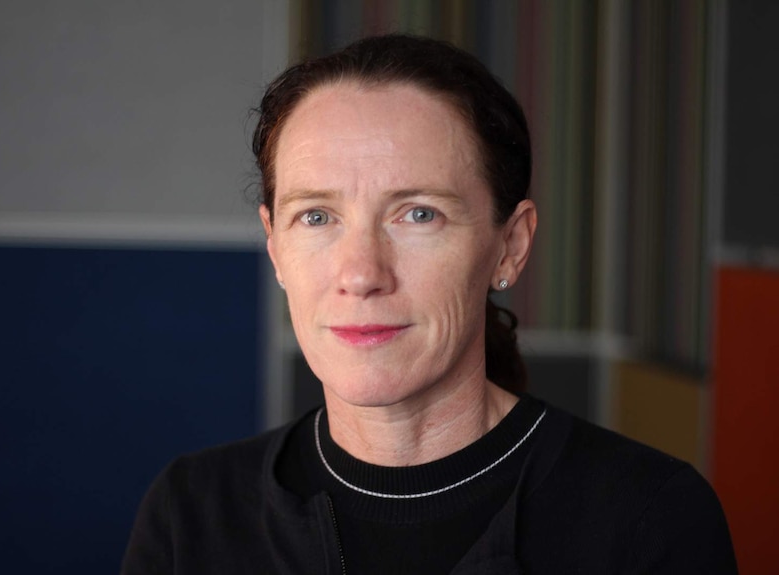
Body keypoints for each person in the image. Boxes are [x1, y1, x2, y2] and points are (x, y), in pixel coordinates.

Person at [121, 34, 736, 574]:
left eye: (419, 214)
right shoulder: (192, 514)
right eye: (316, 216)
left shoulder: (648, 517)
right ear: (275, 248)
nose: (361, 274)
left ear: (510, 247)